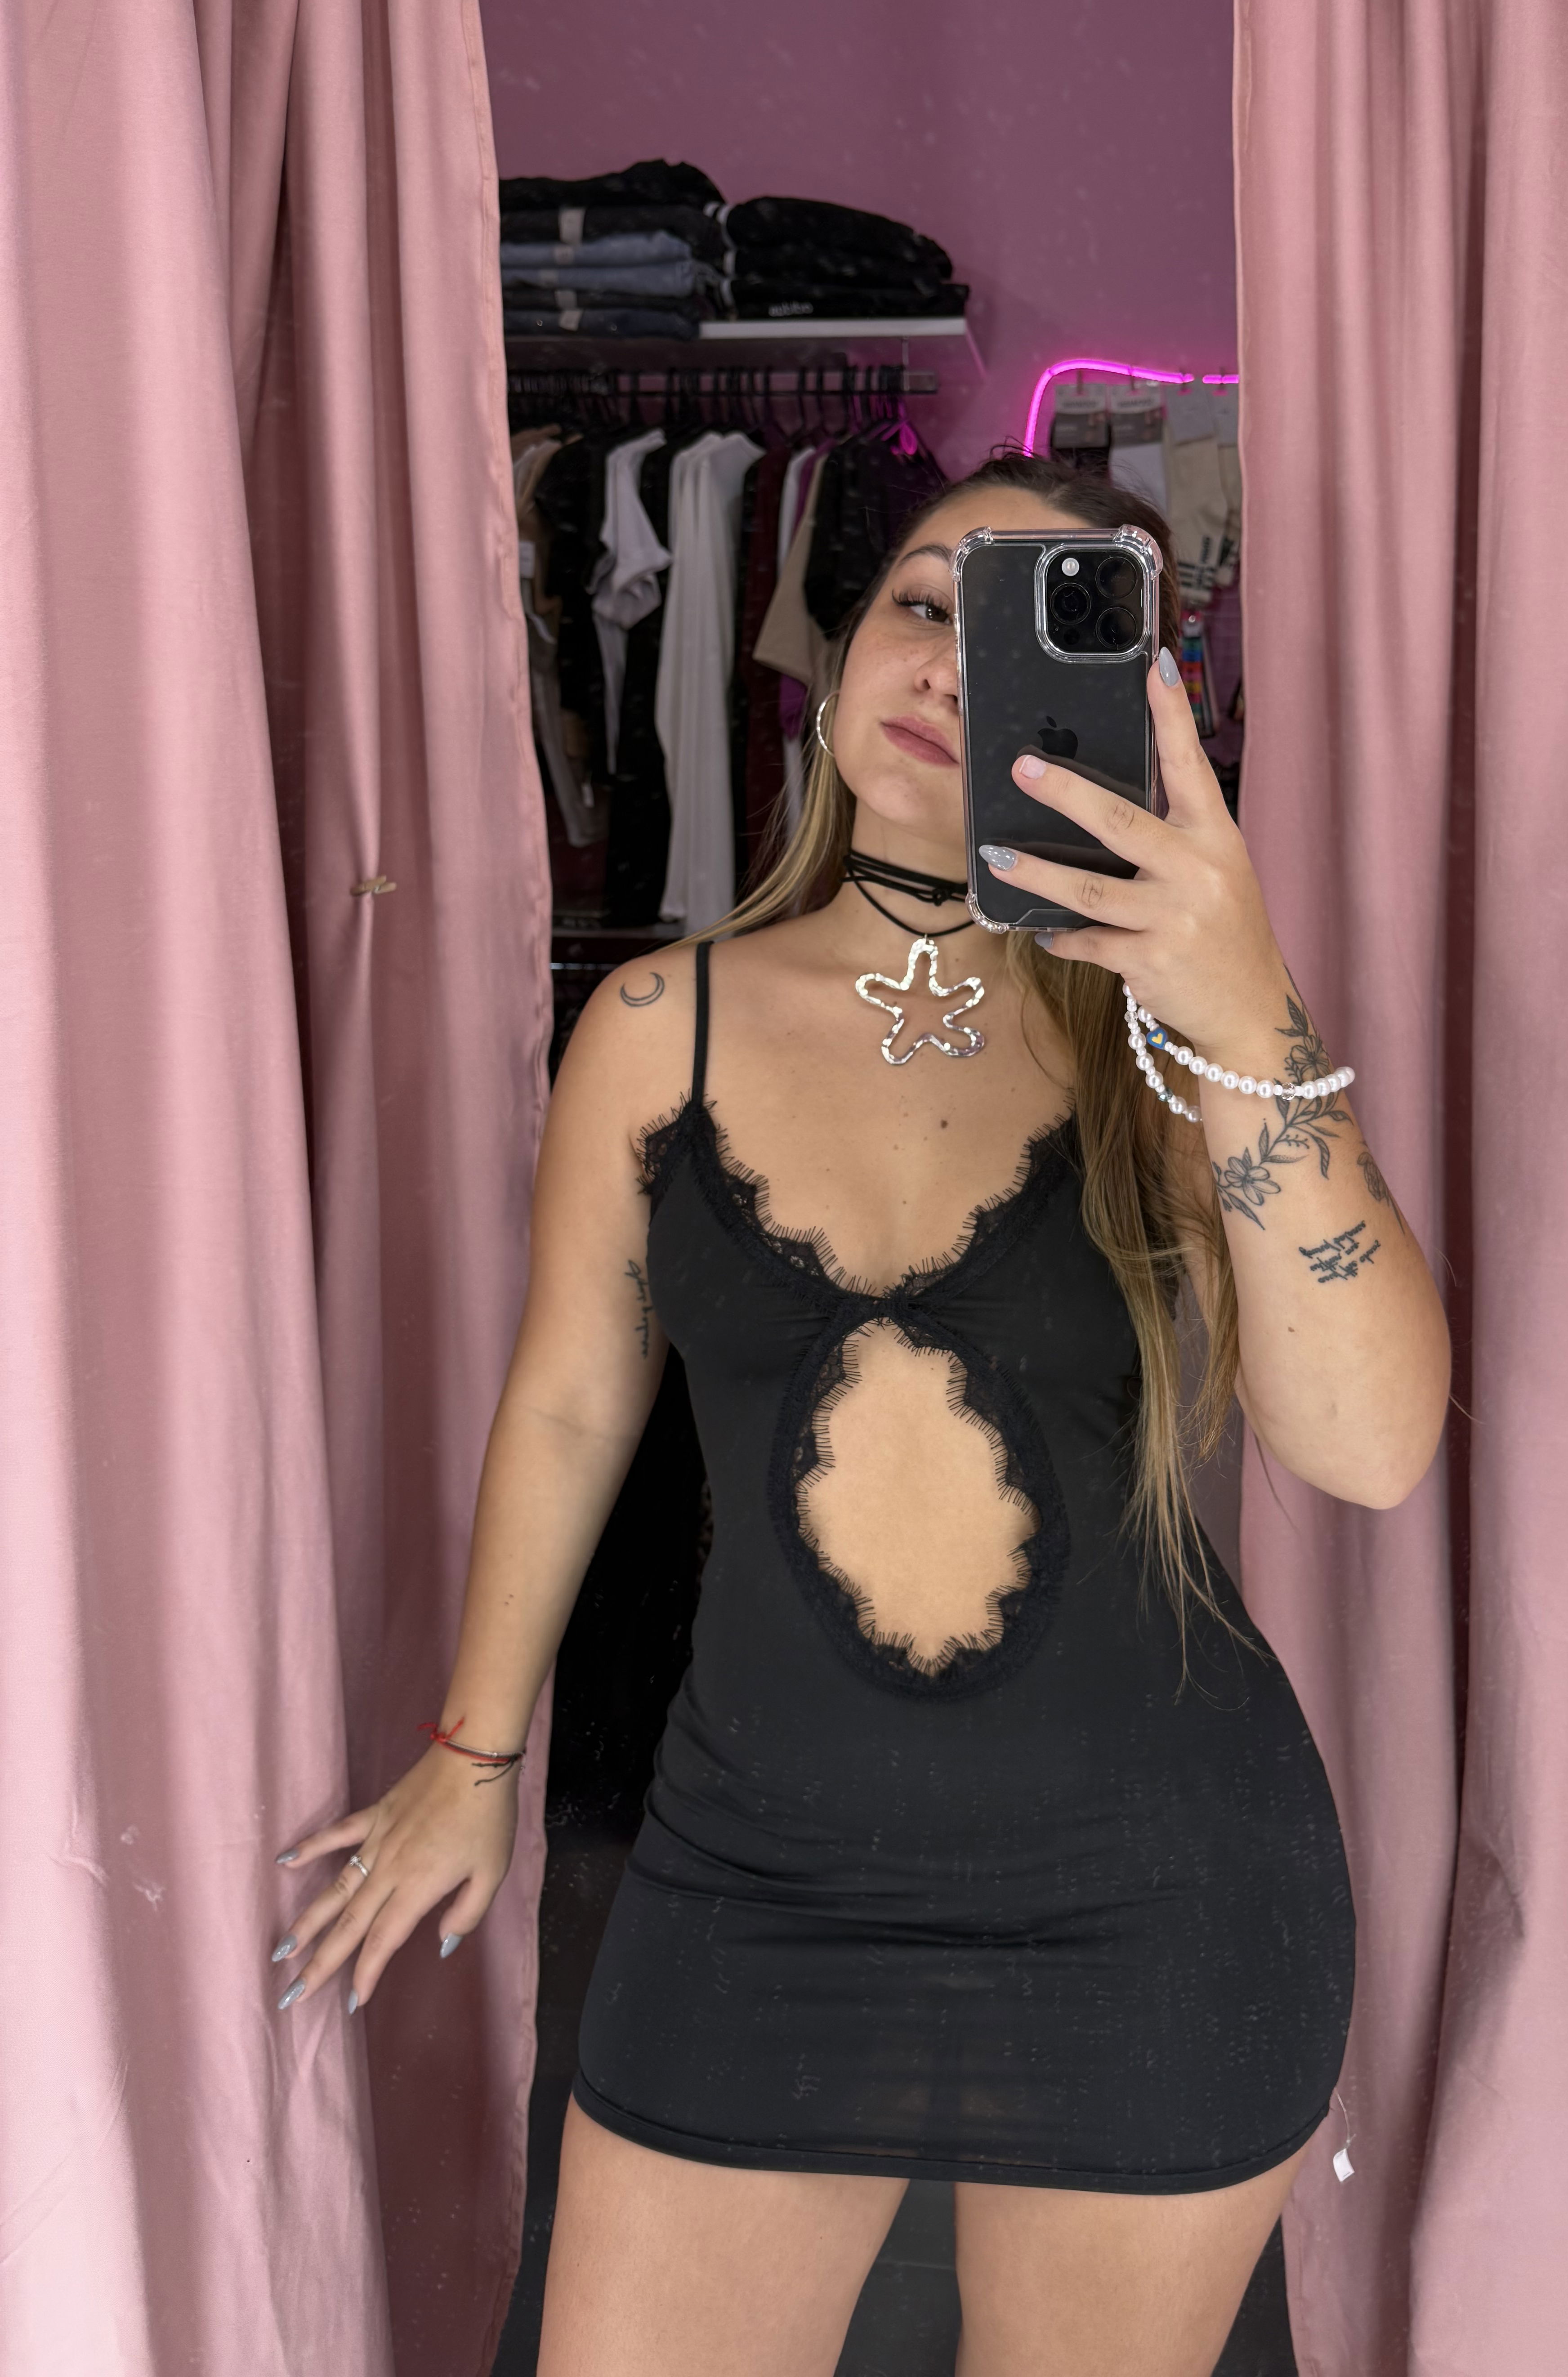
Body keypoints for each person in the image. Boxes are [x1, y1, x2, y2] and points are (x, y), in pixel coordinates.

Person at [269, 452, 1451, 2377]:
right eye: (926, 601)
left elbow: (1372, 1445)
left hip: (1161, 1892)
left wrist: (1244, 1011)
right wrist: (473, 1756)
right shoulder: (659, 1024)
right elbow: (568, 1402)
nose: (957, 666)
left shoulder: (1176, 1036)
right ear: (834, 660)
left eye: (1037, 636)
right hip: (759, 1880)